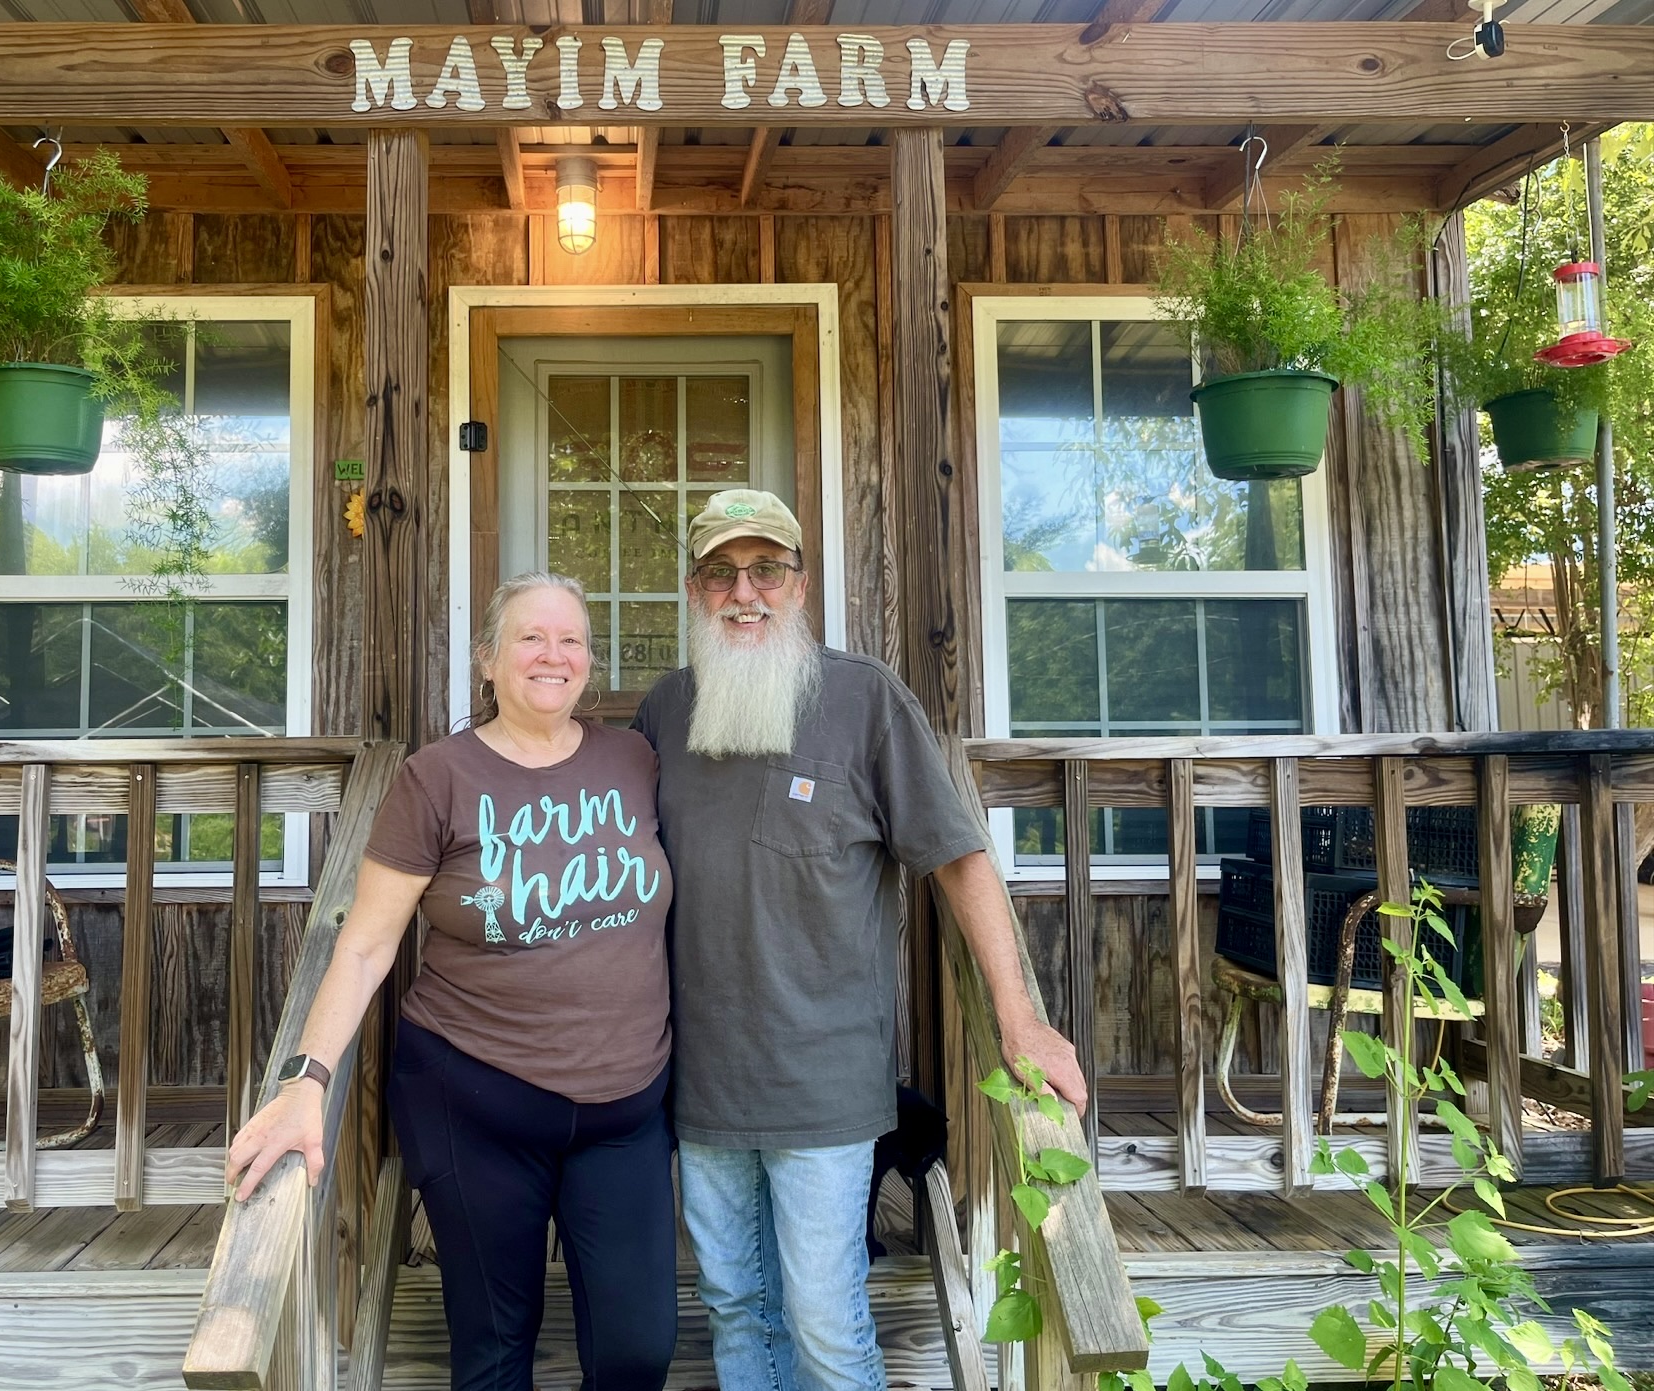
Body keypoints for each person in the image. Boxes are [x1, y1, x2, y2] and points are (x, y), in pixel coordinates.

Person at [631, 488, 1088, 1391]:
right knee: (732, 1304)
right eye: (720, 573)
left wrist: (1020, 1017)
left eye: (766, 569)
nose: (744, 591)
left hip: (824, 1080)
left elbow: (959, 858)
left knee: (825, 1320)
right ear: (694, 590)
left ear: (800, 585)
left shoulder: (865, 698)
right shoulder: (664, 710)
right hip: (699, 1078)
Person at [227, 572, 677, 1391]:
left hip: (626, 1112)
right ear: (488, 660)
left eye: (571, 639)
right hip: (475, 1098)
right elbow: (364, 946)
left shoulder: (634, 759)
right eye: (530, 638)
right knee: (495, 1351)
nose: (553, 654)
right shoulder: (436, 778)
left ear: (590, 660)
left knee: (637, 1350)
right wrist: (307, 1079)